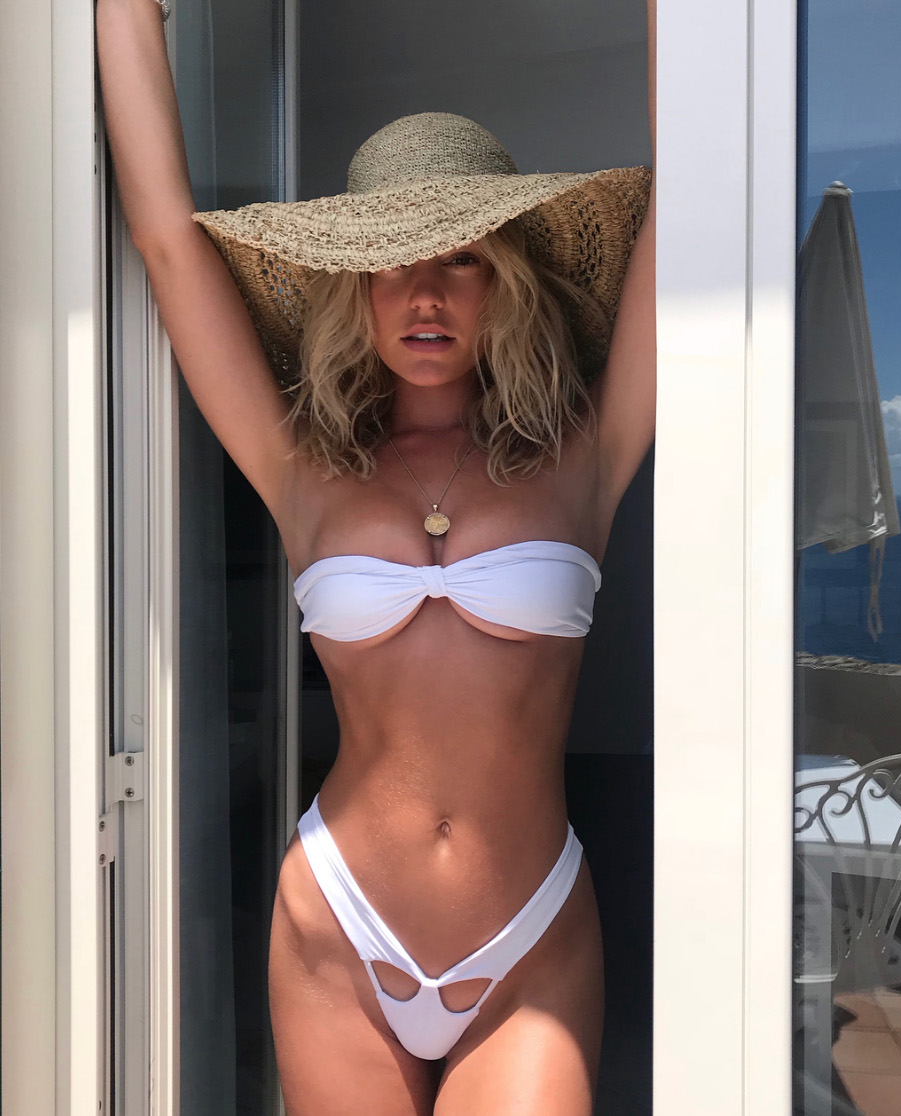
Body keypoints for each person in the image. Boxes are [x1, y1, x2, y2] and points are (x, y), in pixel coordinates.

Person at [96, 0, 655, 1111]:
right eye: (390, 264)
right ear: (354, 287)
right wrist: (125, 14)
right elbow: (164, 240)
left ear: (507, 282)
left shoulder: (583, 459)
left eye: (462, 259)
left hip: (530, 937)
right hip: (336, 926)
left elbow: (695, 210)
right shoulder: (303, 469)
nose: (426, 294)